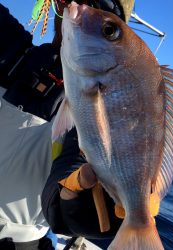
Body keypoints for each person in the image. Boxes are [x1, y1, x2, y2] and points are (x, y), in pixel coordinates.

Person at [0, 0, 134, 249]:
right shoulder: (14, 48)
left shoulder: (101, 112)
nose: (79, 7)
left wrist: (80, 203)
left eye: (105, 22)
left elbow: (68, 181)